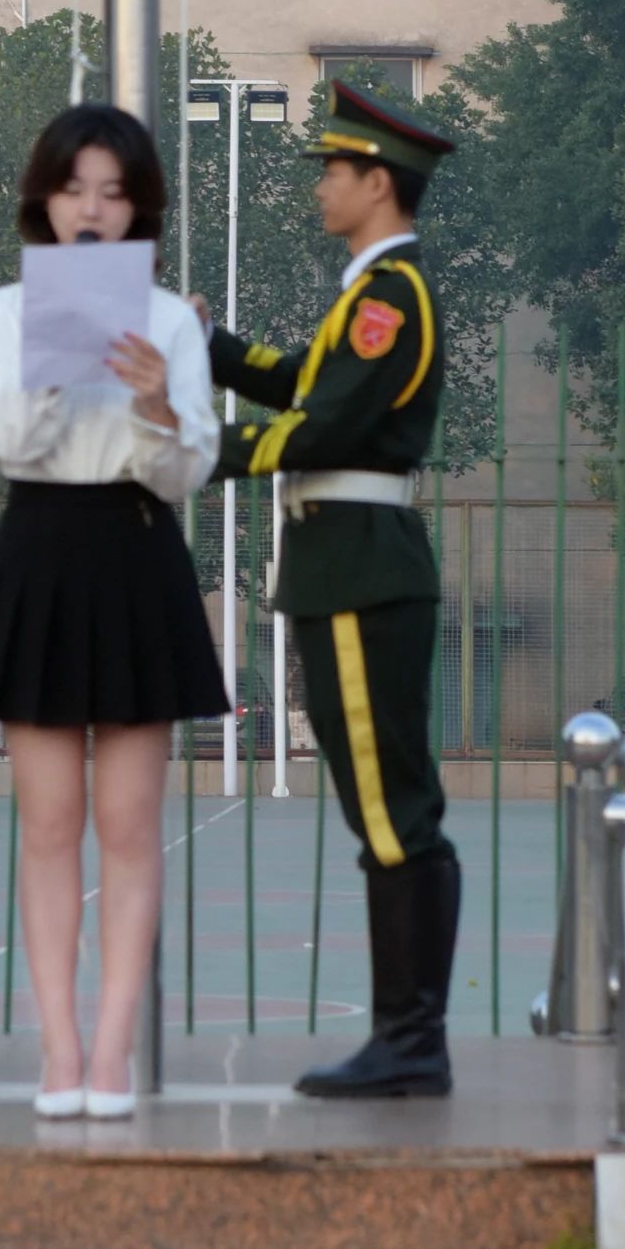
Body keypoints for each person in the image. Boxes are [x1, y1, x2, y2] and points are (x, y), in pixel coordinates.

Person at [199, 80, 461, 1099]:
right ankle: (408, 1035)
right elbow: (302, 377)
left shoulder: (390, 297)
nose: (319, 186)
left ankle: (409, 1039)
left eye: (333, 170)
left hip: (358, 568)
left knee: (391, 809)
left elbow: (328, 425)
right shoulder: (369, 294)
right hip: (342, 564)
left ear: (377, 183)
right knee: (382, 804)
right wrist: (212, 345)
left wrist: (201, 449)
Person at [0, 104, 227, 1120]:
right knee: (48, 823)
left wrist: (157, 404)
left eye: (113, 193)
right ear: (42, 198)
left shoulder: (167, 318)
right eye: (74, 188)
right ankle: (59, 1051)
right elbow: (4, 445)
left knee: (127, 822)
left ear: (138, 208)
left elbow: (186, 470)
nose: (91, 209)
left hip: (135, 546)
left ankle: (111, 1051)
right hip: (37, 542)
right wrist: (53, 359)